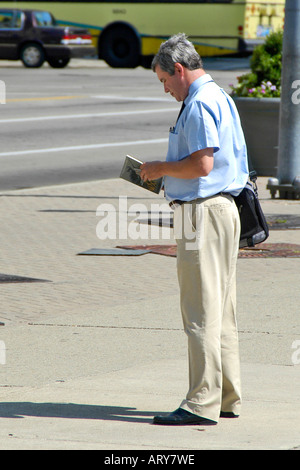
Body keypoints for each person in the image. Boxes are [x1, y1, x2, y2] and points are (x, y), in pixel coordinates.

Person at [140, 33, 249, 426]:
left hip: (201, 213)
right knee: (222, 310)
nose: (165, 88)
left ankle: (200, 403)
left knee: (199, 311)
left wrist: (158, 169)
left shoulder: (199, 103)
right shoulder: (219, 96)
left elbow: (202, 166)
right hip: (222, 209)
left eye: (164, 80)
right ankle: (226, 397)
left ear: (179, 70)